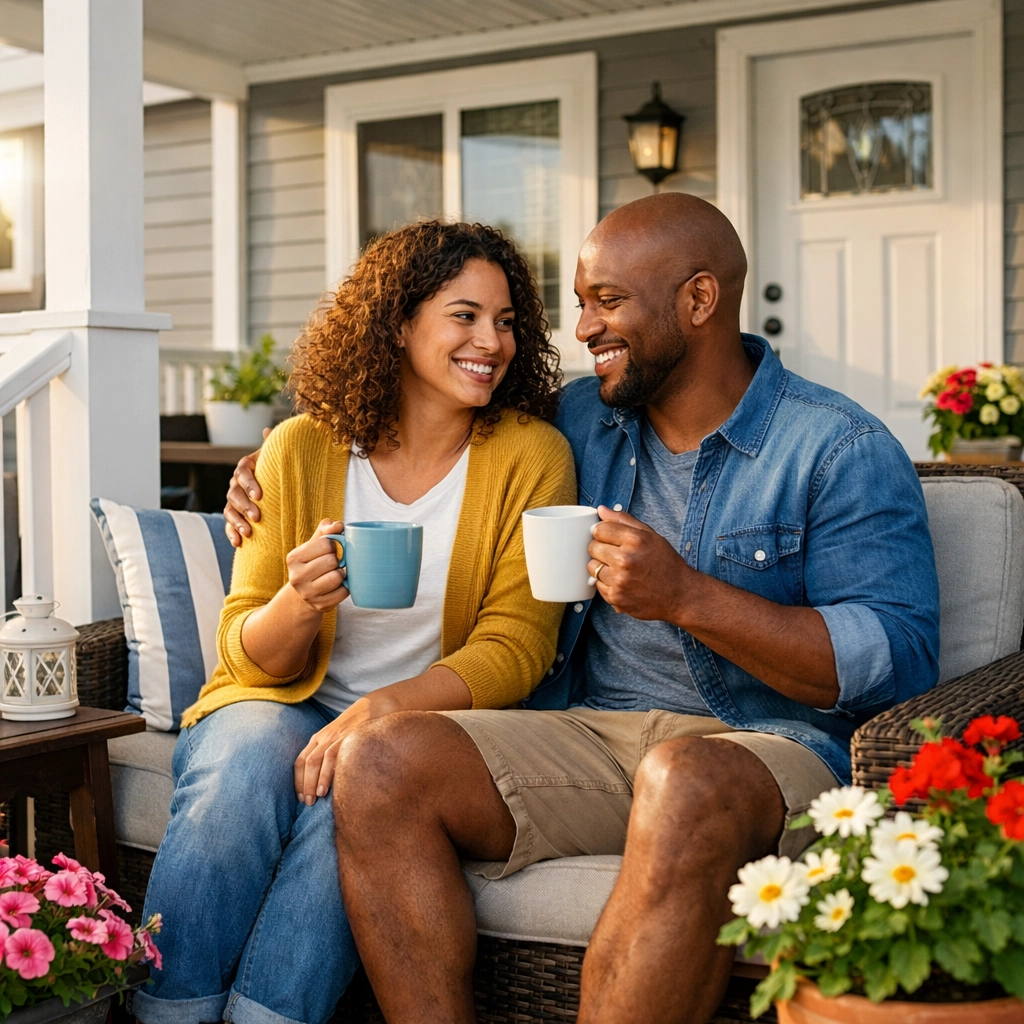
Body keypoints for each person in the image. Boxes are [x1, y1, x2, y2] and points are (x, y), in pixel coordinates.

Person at [225, 196, 940, 1023]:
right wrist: (269, 467)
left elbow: (898, 655)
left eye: (609, 301)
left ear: (698, 301)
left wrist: (689, 597)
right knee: (379, 760)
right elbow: (415, 422)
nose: (585, 329)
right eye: (580, 305)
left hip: (766, 747)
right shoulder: (578, 417)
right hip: (587, 733)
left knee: (685, 778)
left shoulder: (837, 448)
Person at [134, 221, 575, 1024]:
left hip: (422, 727)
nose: (493, 341)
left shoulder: (531, 455)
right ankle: (166, 1009)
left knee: (359, 789)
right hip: (279, 699)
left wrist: (380, 713)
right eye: (465, 316)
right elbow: (245, 654)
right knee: (241, 759)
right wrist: (298, 603)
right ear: (399, 323)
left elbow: (517, 648)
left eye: (507, 321)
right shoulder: (300, 449)